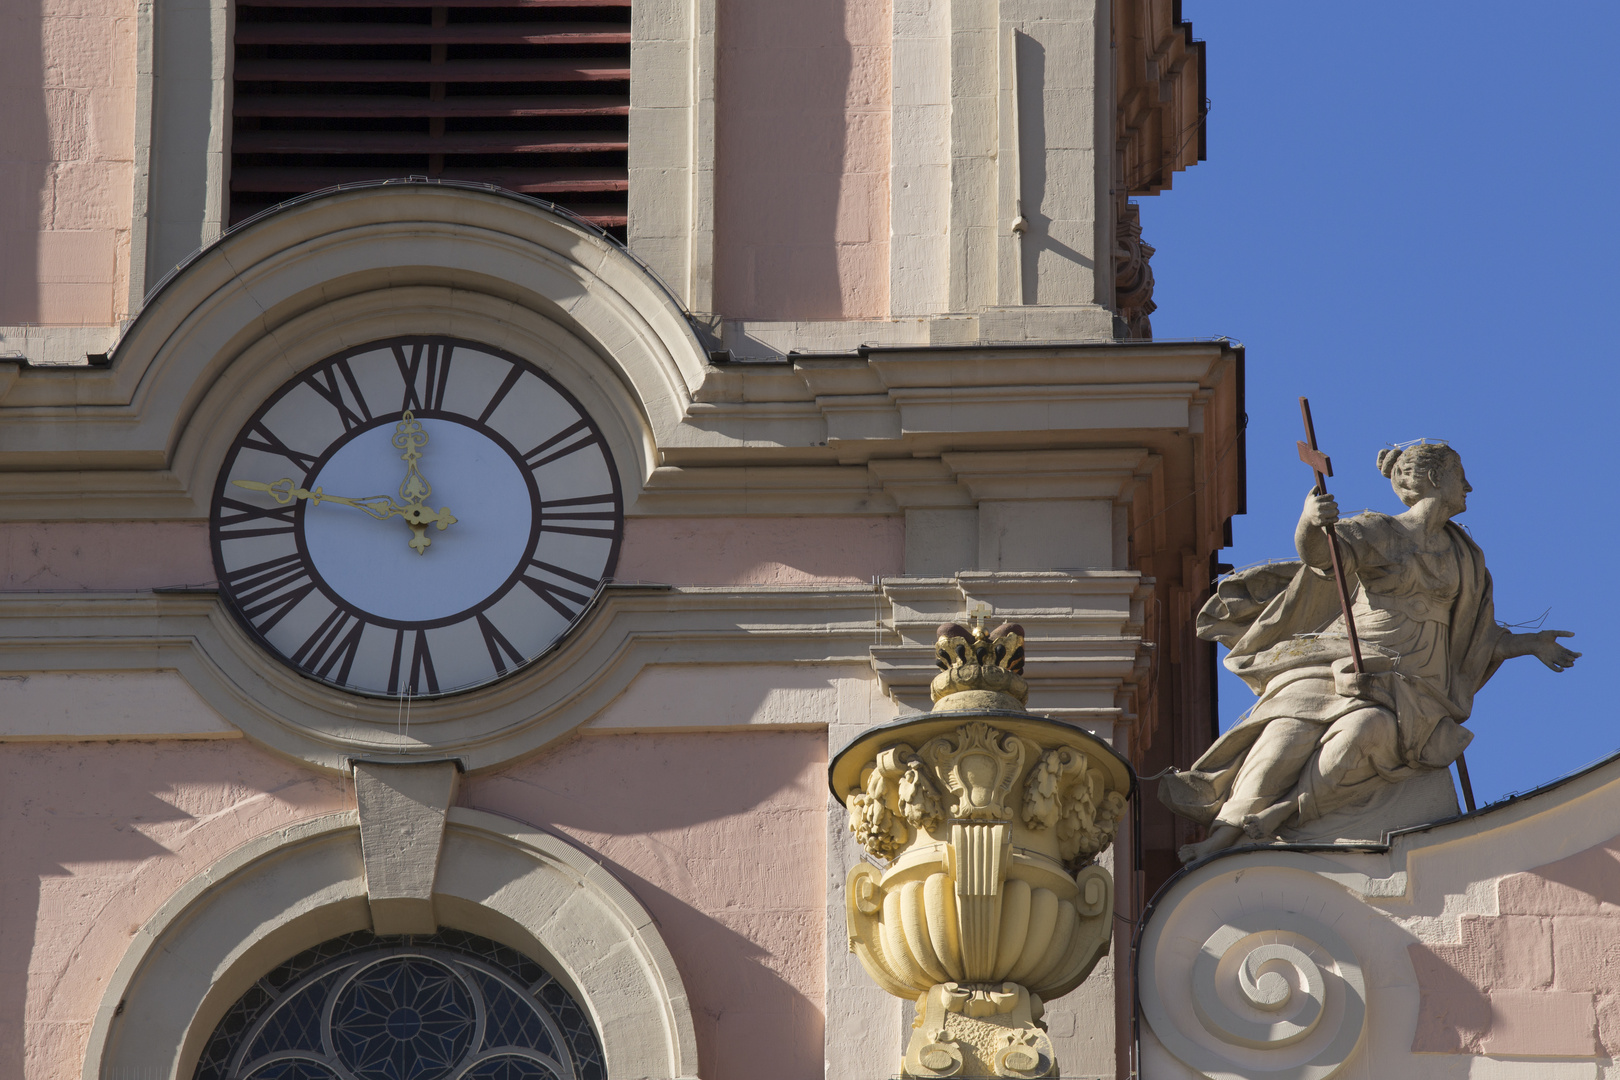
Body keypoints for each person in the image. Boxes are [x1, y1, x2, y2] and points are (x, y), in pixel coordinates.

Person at [1161, 442, 1579, 864]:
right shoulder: (1382, 531)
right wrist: (1310, 522)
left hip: (1413, 688)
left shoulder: (1466, 558)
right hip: (1343, 660)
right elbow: (1323, 555)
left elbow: (1476, 639)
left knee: (1365, 732)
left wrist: (1531, 644)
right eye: (1460, 475)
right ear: (1434, 478)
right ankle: (1226, 833)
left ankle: (1287, 810)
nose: (1468, 486)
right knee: (1287, 734)